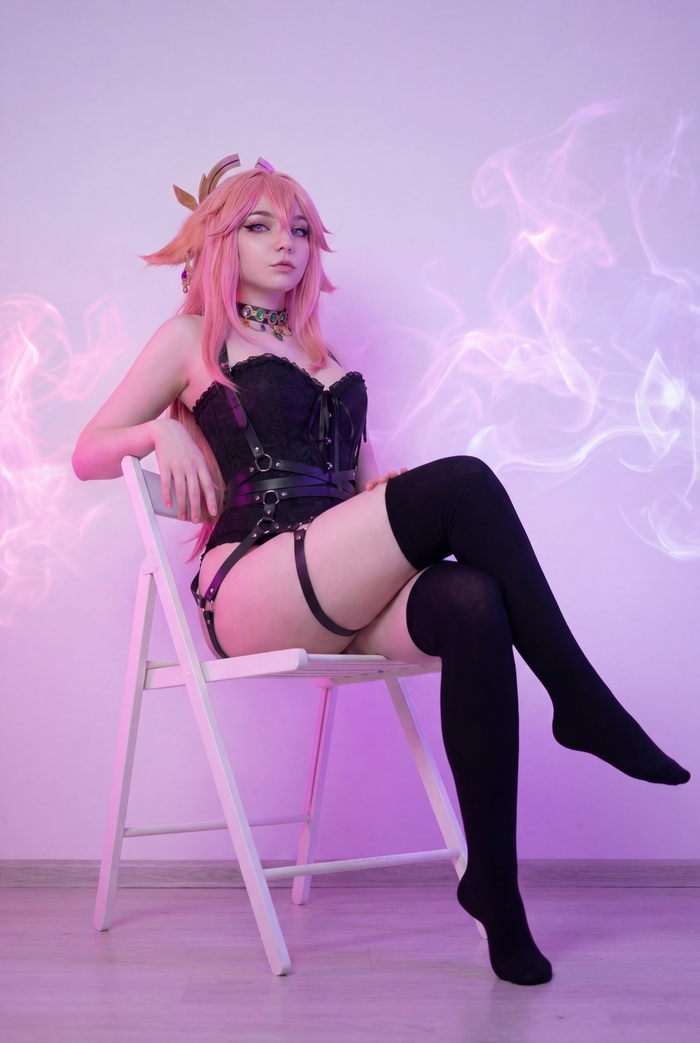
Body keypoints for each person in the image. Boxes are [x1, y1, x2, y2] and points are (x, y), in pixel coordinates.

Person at [72, 155, 690, 987]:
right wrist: (159, 431)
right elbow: (86, 451)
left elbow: (361, 483)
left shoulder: (322, 354)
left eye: (299, 229)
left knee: (473, 599)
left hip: (332, 576)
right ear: (220, 242)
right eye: (260, 226)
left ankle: (494, 888)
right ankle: (579, 699)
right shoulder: (193, 340)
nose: (285, 243)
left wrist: (382, 495)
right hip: (253, 580)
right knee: (464, 482)